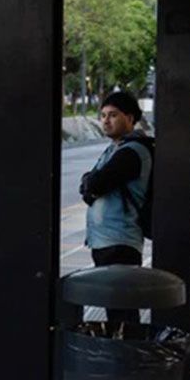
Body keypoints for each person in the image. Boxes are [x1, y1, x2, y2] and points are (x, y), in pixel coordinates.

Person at [80, 91, 153, 326]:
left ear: (130, 118)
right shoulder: (116, 148)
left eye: (113, 115)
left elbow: (96, 183)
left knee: (122, 308)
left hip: (120, 241)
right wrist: (90, 183)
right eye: (102, 116)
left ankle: (128, 356)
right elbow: (88, 183)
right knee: (116, 306)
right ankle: (125, 354)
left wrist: (91, 183)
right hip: (106, 241)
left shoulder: (133, 151)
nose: (106, 121)